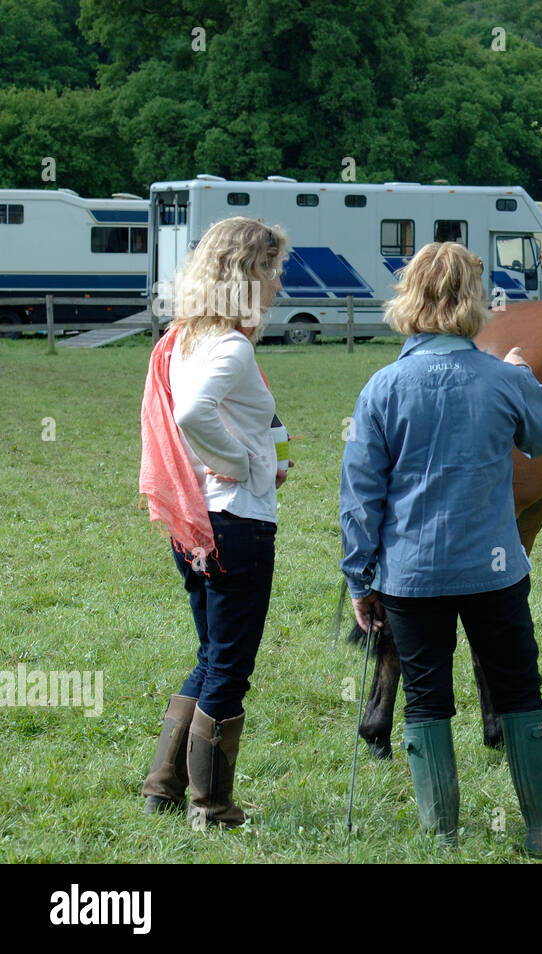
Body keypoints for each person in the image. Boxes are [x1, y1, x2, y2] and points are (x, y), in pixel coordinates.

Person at [339, 241, 542, 855]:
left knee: (425, 700)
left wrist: (359, 581)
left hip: (409, 575)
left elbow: (359, 497)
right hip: (495, 571)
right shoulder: (504, 378)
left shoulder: (383, 387)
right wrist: (528, 380)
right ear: (474, 302)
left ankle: (441, 836)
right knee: (520, 692)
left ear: (410, 298)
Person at [139, 216, 291, 828]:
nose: (281, 284)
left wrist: (268, 450)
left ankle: (163, 786)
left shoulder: (182, 339)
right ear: (249, 274)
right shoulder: (231, 346)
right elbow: (194, 416)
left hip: (195, 523)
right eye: (274, 270)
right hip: (234, 524)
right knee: (231, 665)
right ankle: (212, 805)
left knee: (211, 654)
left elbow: (231, 414)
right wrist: (242, 463)